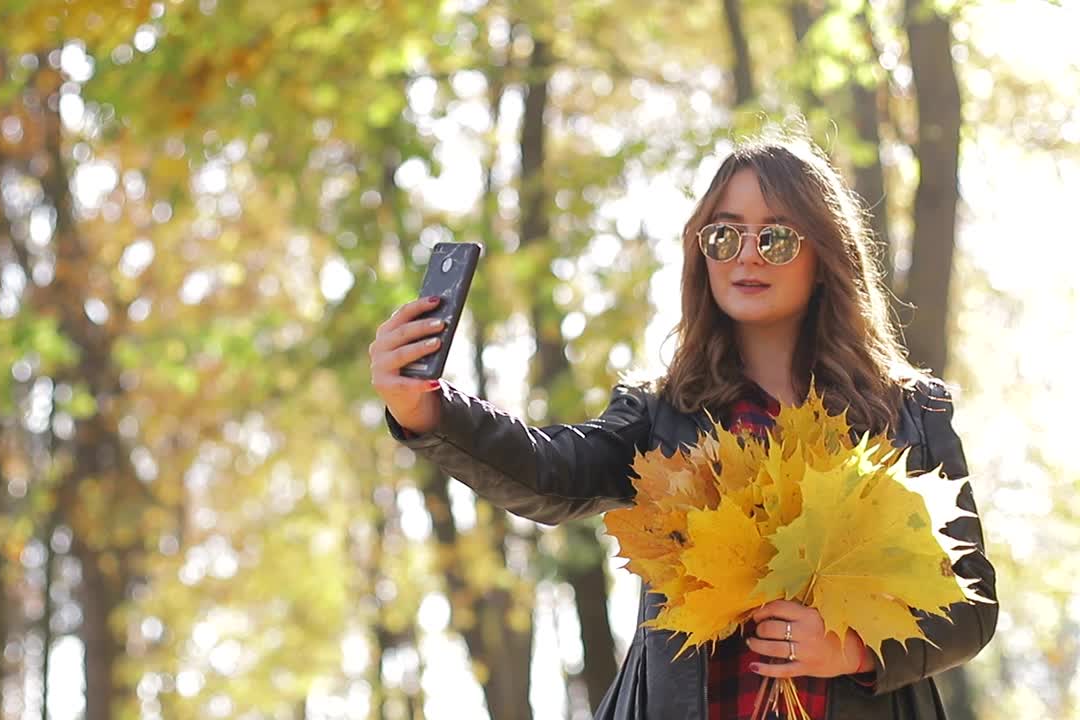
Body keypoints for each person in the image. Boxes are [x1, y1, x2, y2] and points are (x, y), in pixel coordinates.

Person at [367, 133, 997, 719]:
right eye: (724, 237)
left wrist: (853, 651)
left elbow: (969, 607)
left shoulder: (907, 414)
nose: (747, 255)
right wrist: (428, 408)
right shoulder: (663, 415)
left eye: (776, 237)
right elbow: (550, 471)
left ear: (826, 256)